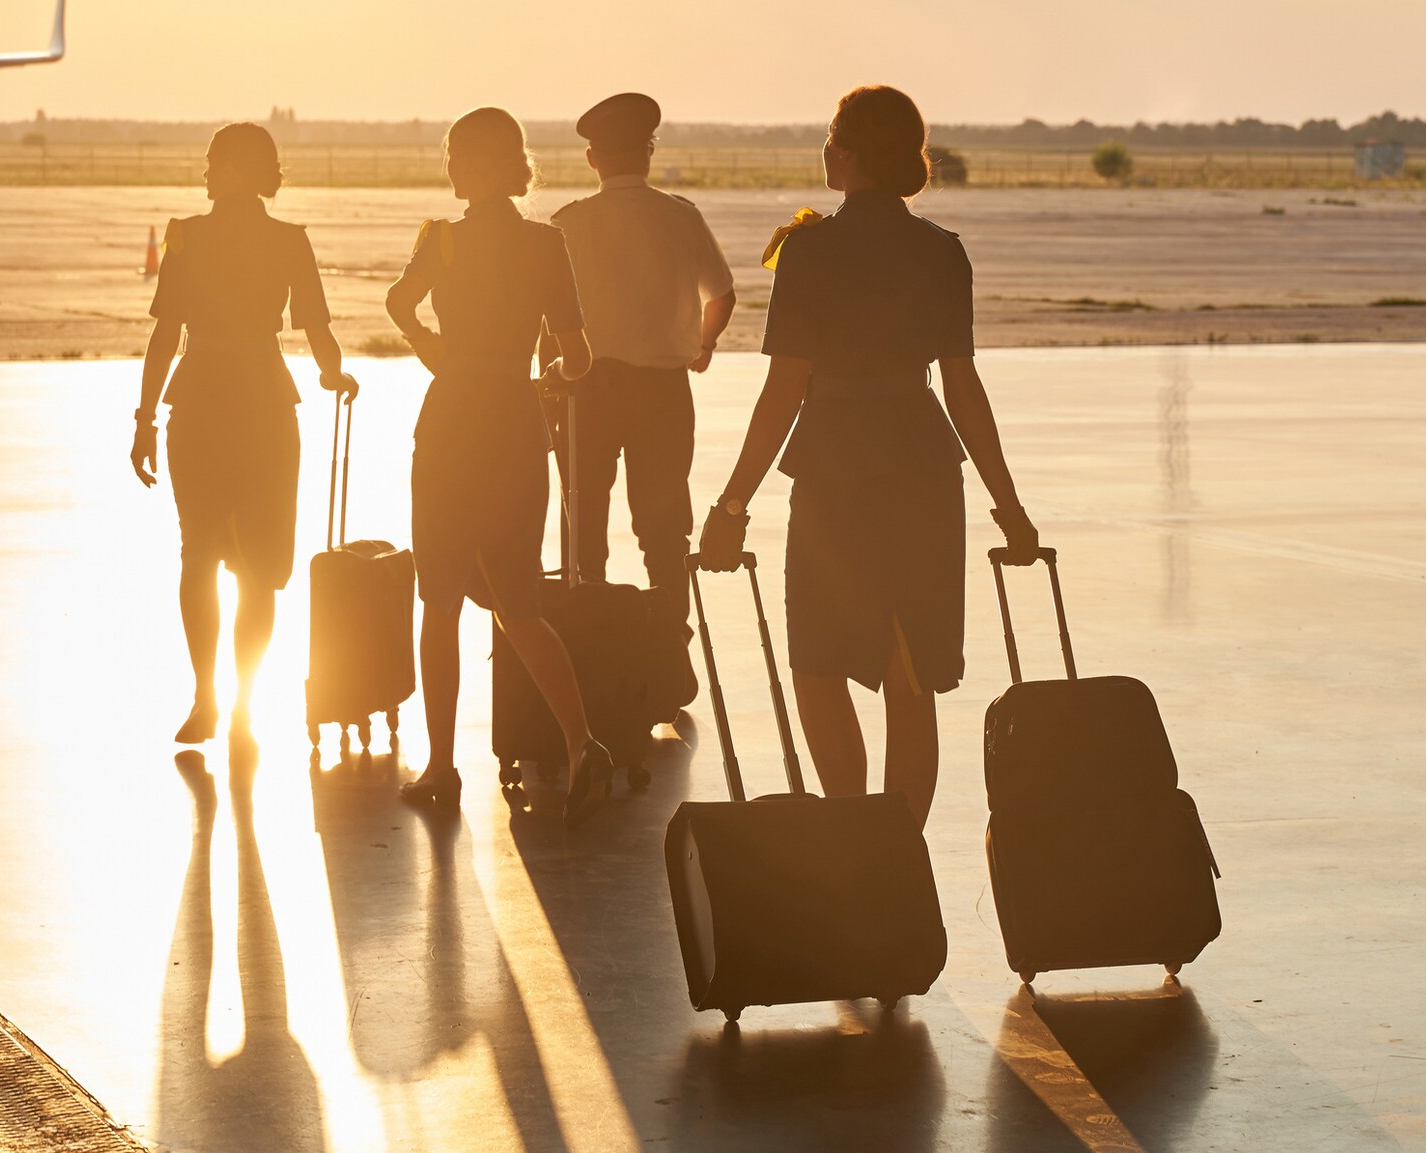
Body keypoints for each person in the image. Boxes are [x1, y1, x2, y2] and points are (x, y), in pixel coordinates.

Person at [698, 86, 1039, 829]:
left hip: (833, 470)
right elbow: (963, 388)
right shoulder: (941, 250)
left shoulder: (811, 250)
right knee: (909, 673)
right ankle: (899, 853)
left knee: (817, 664)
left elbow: (784, 389)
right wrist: (1008, 508)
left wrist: (731, 507)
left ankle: (851, 834)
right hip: (922, 464)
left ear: (847, 154)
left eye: (829, 137)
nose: (823, 149)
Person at [385, 107, 617, 823]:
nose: (449, 168)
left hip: (454, 421)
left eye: (456, 156)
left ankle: (443, 763)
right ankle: (582, 741)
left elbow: (398, 303)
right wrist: (546, 368)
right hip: (518, 427)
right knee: (520, 604)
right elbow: (577, 356)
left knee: (441, 601)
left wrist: (435, 350)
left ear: (480, 165)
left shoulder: (443, 241)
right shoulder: (548, 245)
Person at [133, 121, 356, 744]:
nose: (204, 173)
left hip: (199, 400)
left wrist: (145, 418)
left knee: (197, 553)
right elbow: (317, 331)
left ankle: (207, 694)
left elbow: (164, 336)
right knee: (259, 566)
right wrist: (336, 378)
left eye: (212, 163)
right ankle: (243, 704)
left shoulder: (185, 238)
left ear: (234, 169)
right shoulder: (289, 241)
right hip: (263, 402)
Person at [552, 93, 736, 648]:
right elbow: (722, 296)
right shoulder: (680, 215)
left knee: (583, 521)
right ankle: (669, 648)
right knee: (663, 526)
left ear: (592, 160)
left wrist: (550, 383)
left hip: (588, 390)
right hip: (662, 390)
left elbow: (549, 315)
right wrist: (701, 348)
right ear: (649, 153)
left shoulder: (569, 222)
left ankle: (587, 641)